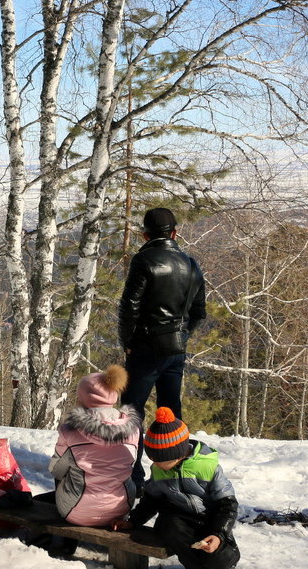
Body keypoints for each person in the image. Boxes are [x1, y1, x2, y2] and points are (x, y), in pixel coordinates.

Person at [117, 207, 206, 484]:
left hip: (144, 348)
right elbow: (199, 312)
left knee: (132, 412)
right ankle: (175, 476)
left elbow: (128, 307)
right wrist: (181, 335)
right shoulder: (191, 264)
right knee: (172, 415)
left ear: (145, 235)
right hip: (175, 350)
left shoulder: (144, 260)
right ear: (174, 233)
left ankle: (132, 475)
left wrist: (128, 342)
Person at [122, 408, 240, 569]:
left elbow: (228, 505)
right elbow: (151, 501)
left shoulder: (207, 467)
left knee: (218, 557)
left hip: (209, 520)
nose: (153, 463)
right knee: (171, 526)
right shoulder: (159, 470)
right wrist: (133, 521)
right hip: (178, 521)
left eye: (157, 459)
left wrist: (218, 534)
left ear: (175, 454)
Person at [48, 365, 142, 527]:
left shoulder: (70, 430)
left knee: (65, 472)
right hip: (121, 508)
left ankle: (60, 542)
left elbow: (56, 470)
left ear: (84, 398)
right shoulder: (133, 428)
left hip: (76, 510)